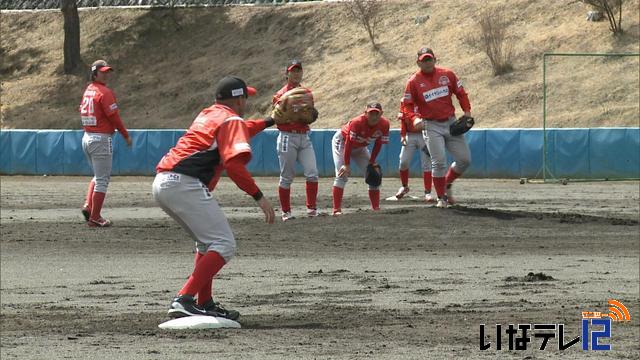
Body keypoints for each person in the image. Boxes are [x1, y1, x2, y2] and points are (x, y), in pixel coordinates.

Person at [153, 76, 277, 320]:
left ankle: (204, 302)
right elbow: (234, 166)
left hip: (163, 183)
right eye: (245, 97)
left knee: (207, 243)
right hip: (184, 184)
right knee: (224, 244)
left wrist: (271, 121)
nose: (246, 102)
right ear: (239, 99)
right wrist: (259, 197)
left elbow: (242, 129)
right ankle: (184, 299)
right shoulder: (232, 120)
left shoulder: (210, 114)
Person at [402, 47, 473, 208]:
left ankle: (447, 183)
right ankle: (441, 197)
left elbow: (461, 93)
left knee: (464, 159)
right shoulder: (413, 82)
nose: (427, 63)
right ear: (418, 63)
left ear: (435, 59)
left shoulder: (447, 74)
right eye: (424, 60)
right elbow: (407, 105)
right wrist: (414, 119)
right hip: (431, 124)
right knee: (439, 162)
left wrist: (467, 112)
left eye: (429, 59)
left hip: (450, 122)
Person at [79, 59, 132, 227]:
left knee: (97, 176)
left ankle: (89, 206)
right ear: (94, 73)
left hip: (87, 137)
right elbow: (113, 116)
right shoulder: (104, 92)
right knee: (102, 179)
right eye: (102, 72)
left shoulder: (89, 90)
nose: (106, 74)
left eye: (107, 71)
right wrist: (125, 135)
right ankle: (95, 217)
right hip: (100, 138)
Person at [272, 60, 320, 221]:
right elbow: (276, 118)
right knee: (287, 176)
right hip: (287, 137)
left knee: (312, 173)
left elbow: (309, 116)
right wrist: (288, 115)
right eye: (293, 71)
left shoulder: (307, 93)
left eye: (299, 70)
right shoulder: (280, 95)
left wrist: (310, 115)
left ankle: (312, 209)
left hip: (304, 137)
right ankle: (286, 212)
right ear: (287, 74)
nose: (296, 73)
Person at [332, 102, 390, 215]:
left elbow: (378, 143)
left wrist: (372, 161)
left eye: (376, 114)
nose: (373, 117)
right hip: (343, 142)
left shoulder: (384, 124)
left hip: (360, 147)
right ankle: (336, 210)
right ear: (365, 113)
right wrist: (346, 164)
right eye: (371, 114)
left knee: (374, 176)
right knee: (342, 174)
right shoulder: (357, 122)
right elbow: (349, 143)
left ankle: (375, 208)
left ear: (381, 114)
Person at [394, 100, 435, 202]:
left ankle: (428, 192)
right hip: (410, 134)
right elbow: (403, 119)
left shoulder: (425, 96)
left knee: (427, 164)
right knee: (403, 161)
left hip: (424, 134)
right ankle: (404, 187)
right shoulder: (405, 101)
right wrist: (403, 135)